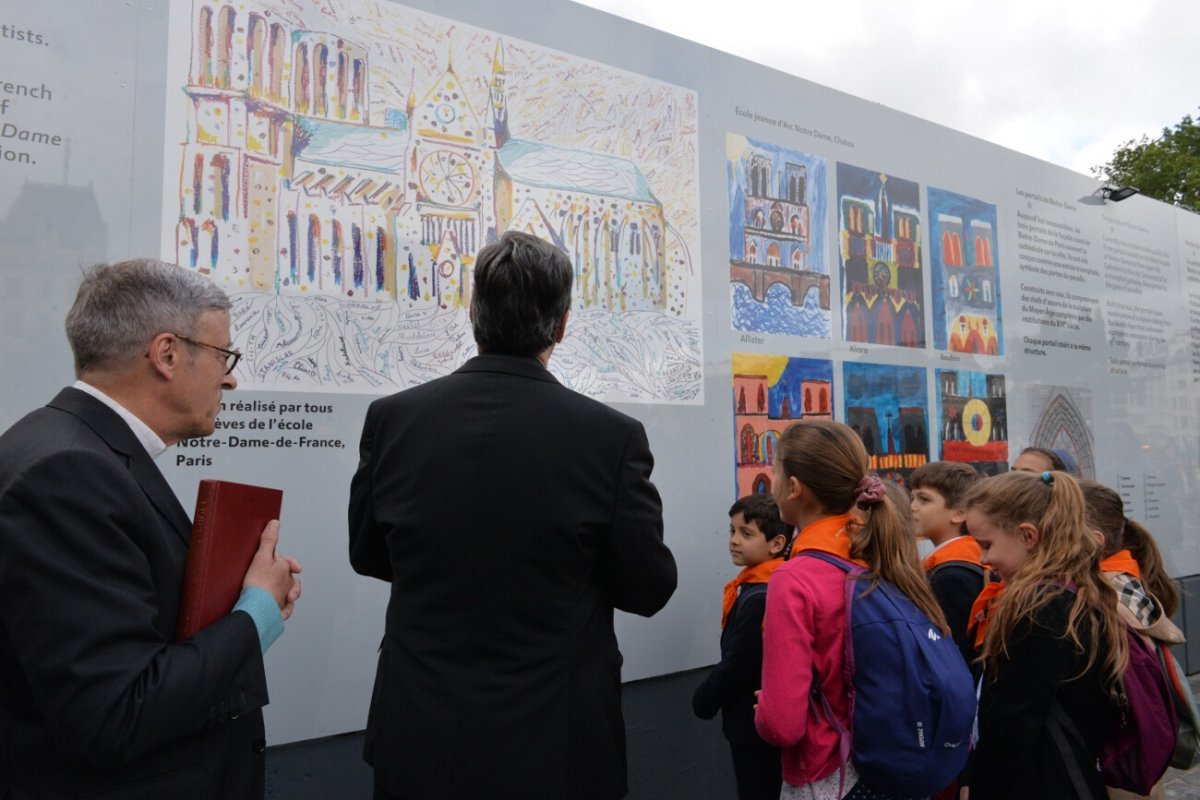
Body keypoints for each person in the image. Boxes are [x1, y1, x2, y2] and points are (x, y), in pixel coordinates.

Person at [348, 230, 677, 800]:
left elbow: (369, 554)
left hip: (419, 737)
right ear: (563, 324)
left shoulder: (393, 419)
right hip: (557, 745)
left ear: (473, 311)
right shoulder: (610, 438)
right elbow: (648, 588)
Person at [0, 259, 302, 798]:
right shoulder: (70, 472)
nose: (231, 378)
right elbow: (112, 715)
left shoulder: (57, 444)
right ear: (166, 354)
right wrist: (254, 615)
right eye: (222, 356)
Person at [755, 418, 949, 799]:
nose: (772, 483)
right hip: (893, 764)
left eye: (775, 472)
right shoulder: (881, 555)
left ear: (794, 488)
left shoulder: (794, 579)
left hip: (829, 774)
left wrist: (765, 710)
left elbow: (783, 725)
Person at [960, 471, 1126, 800]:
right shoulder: (1077, 590)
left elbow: (1012, 721)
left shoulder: (1039, 608)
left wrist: (980, 786)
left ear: (1028, 536)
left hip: (1039, 782)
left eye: (987, 544)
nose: (983, 559)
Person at [1081, 479, 1183, 800]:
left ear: (1094, 541)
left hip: (1120, 761)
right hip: (1136, 756)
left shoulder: (1104, 597)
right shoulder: (1124, 581)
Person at [693, 493, 792, 800]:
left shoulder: (762, 596)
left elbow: (737, 663)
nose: (734, 540)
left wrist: (705, 699)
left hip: (754, 727)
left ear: (776, 544)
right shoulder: (752, 586)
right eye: (732, 531)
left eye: (746, 534)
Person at [909, 461, 985, 668]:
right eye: (912, 497)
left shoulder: (950, 575)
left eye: (924, 500)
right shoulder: (970, 559)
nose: (912, 507)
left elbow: (951, 652)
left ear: (959, 513)